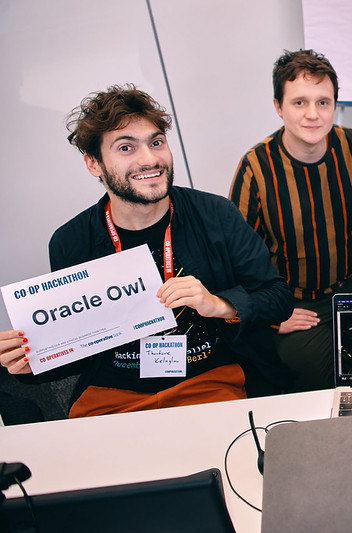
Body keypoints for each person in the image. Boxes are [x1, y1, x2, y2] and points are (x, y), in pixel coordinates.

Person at [0, 85, 293, 418]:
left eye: (156, 142)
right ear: (94, 163)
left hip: (207, 380)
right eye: (126, 148)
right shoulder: (71, 241)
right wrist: (32, 362)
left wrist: (219, 304)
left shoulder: (216, 215)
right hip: (114, 392)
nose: (150, 159)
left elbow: (277, 298)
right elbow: (80, 345)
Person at [229, 50, 352, 392]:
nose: (312, 114)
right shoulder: (255, 167)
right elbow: (237, 257)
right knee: (319, 382)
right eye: (299, 102)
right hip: (293, 301)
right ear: (279, 106)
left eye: (323, 102)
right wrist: (274, 317)